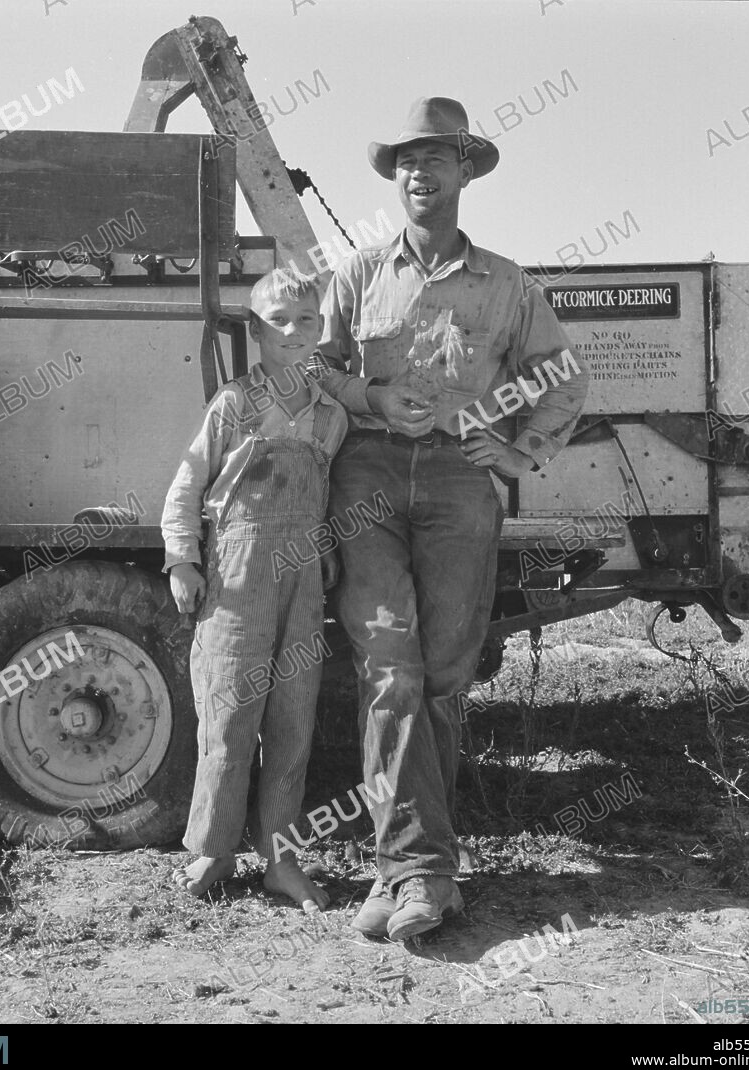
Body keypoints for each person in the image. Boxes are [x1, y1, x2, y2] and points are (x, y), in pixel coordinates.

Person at [314, 97, 589, 940]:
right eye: (405, 159)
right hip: (365, 477)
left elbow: (562, 373)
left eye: (435, 157)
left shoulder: (508, 283)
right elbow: (314, 369)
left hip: (462, 483)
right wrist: (371, 393)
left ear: (466, 171)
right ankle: (421, 871)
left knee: (441, 675)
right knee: (388, 667)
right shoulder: (359, 273)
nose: (418, 172)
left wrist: (522, 451)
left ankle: (400, 869)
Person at [161, 269, 347, 912]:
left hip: (304, 577)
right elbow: (187, 487)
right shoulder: (235, 405)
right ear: (257, 329)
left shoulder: (332, 417)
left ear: (322, 328)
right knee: (229, 712)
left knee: (293, 719)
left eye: (306, 319)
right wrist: (182, 560)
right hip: (237, 574)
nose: (294, 332)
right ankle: (212, 851)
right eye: (279, 320)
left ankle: (281, 860)